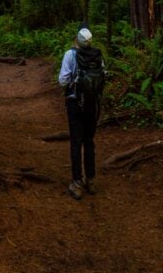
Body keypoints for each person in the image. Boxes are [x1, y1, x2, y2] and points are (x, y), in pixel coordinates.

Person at [58, 26, 105, 200]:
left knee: (76, 142)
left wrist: (72, 84)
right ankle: (90, 180)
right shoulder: (98, 55)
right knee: (89, 141)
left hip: (75, 103)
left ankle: (77, 183)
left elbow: (63, 80)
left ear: (76, 39)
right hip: (93, 104)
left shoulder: (70, 55)